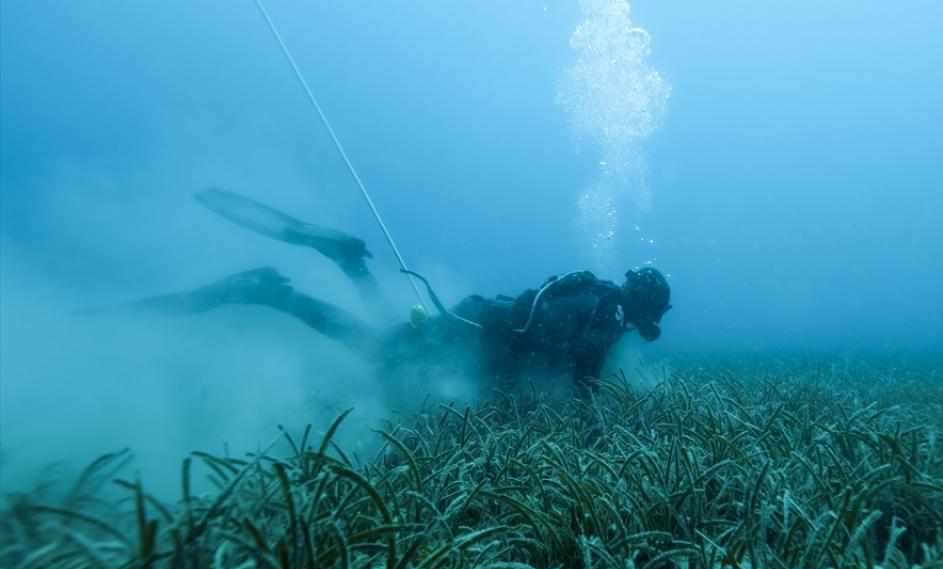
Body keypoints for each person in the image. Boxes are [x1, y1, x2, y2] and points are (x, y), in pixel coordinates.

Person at [132, 188, 671, 401]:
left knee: (385, 346)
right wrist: (602, 432)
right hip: (474, 338)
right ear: (644, 305)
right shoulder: (606, 317)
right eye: (656, 315)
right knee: (378, 354)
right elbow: (584, 385)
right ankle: (279, 292)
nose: (653, 324)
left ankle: (346, 270)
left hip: (477, 324)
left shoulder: (595, 299)